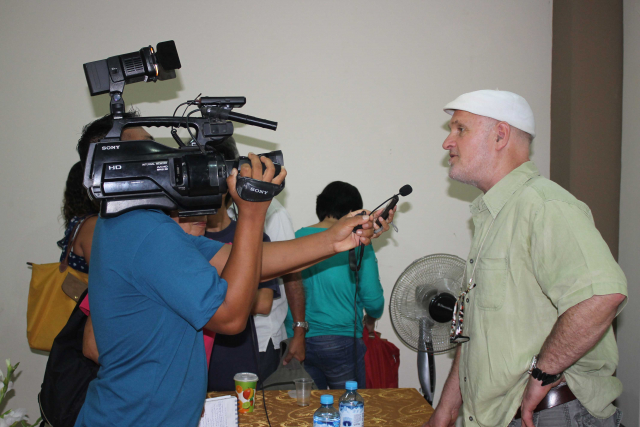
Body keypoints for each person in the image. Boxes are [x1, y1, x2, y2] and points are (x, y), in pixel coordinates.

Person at [74, 136, 392, 427]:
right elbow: (230, 316)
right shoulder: (147, 230)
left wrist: (335, 240)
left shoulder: (131, 224)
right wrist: (252, 213)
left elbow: (248, 261)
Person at [425, 90, 627, 427]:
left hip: (553, 415)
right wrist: (445, 412)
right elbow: (478, 333)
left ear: (500, 135)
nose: (448, 142)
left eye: (460, 129)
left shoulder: (544, 206)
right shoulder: (494, 217)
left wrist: (543, 373)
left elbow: (603, 294)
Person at [285, 181, 385, 390]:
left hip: (299, 340)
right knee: (350, 410)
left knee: (311, 410)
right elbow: (373, 298)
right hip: (342, 340)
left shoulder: (295, 239)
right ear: (352, 212)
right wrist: (371, 319)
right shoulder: (357, 242)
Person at [221, 138, 307, 378]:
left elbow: (291, 269)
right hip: (217, 335)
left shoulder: (272, 211)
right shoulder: (213, 213)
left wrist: (299, 330)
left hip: (259, 337)